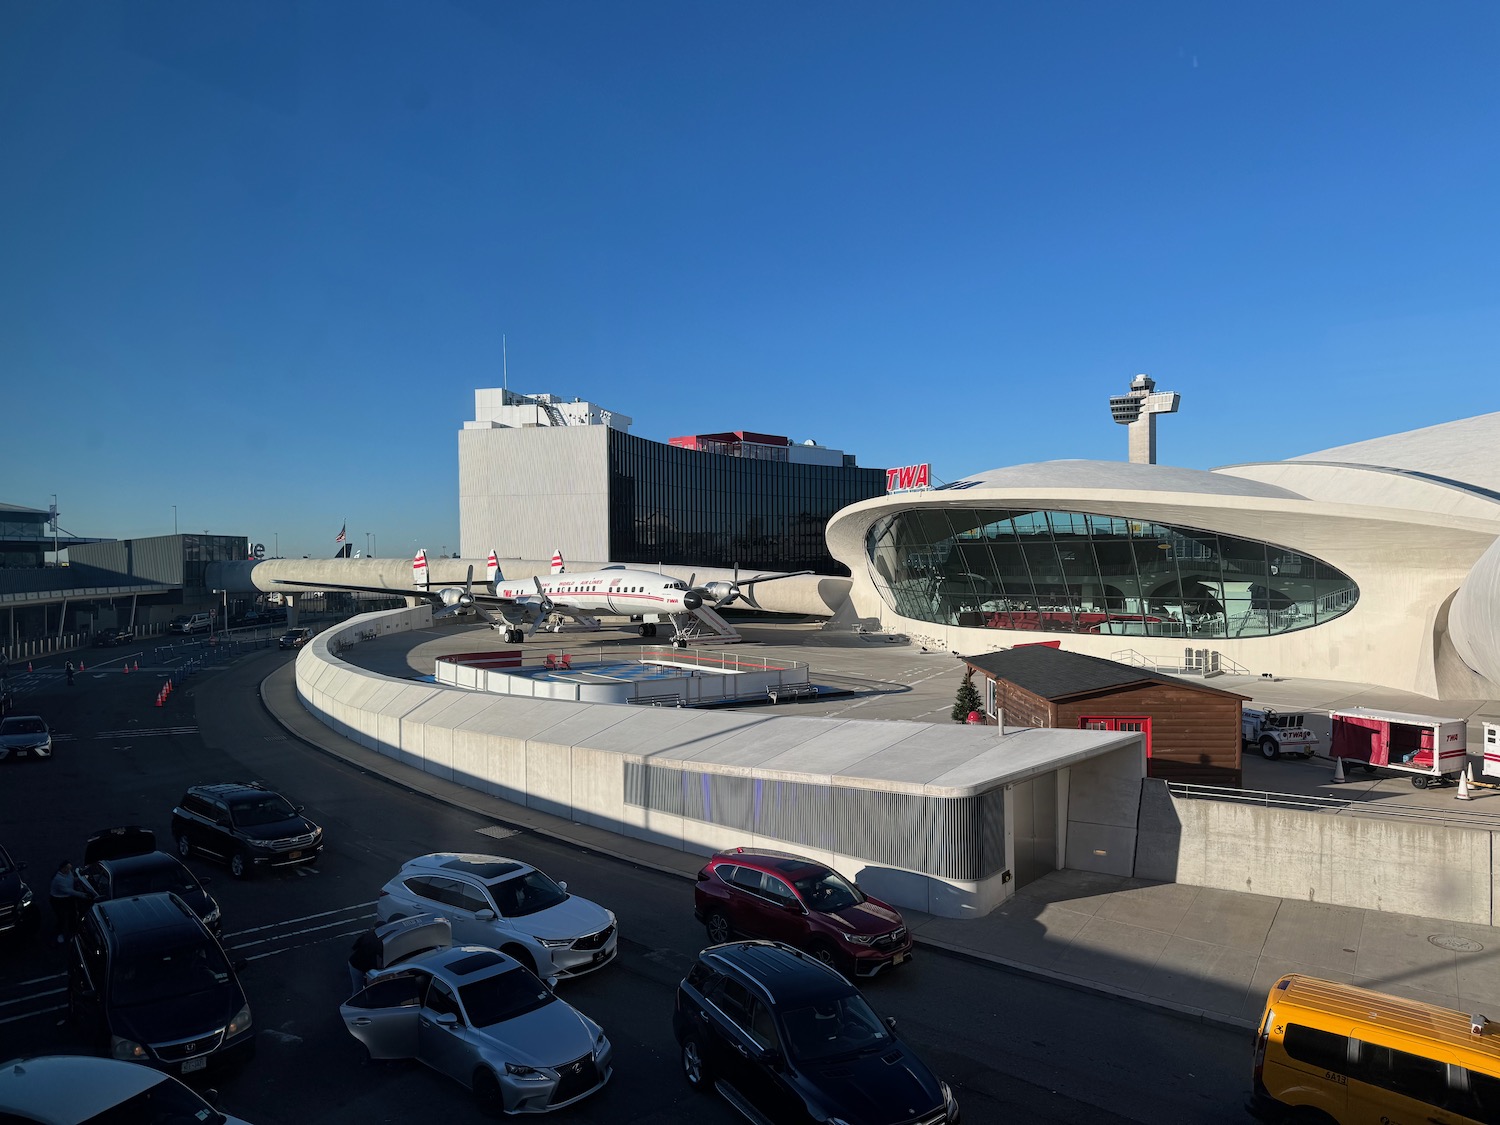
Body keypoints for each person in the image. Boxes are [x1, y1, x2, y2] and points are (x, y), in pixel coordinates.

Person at [49, 861, 91, 944]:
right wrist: (83, 895)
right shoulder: (58, 879)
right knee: (62, 918)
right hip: (58, 900)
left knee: (73, 915)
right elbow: (68, 891)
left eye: (69, 868)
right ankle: (60, 934)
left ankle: (72, 934)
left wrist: (81, 879)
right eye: (67, 868)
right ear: (62, 868)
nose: (68, 870)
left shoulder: (68, 873)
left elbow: (71, 880)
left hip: (68, 899)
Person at [347, 927, 382, 995]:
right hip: (358, 966)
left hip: (354, 962)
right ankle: (357, 1003)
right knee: (358, 991)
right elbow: (378, 964)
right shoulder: (379, 945)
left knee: (358, 990)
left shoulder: (369, 935)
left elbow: (354, 946)